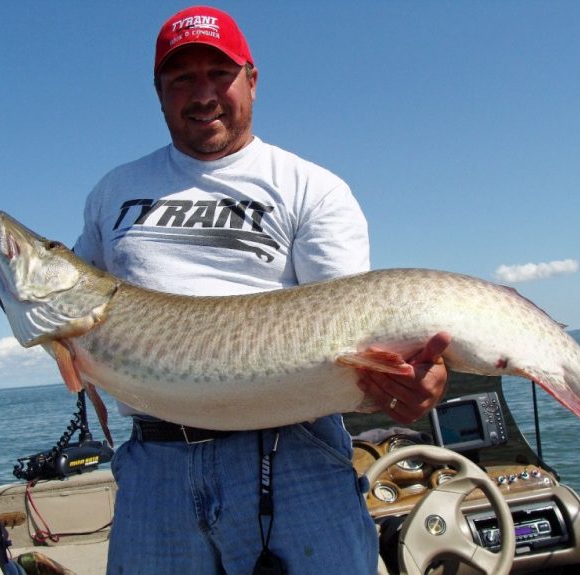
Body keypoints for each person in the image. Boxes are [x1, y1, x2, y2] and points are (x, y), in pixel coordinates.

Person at [73, 6, 450, 574]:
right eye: (181, 79)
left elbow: (348, 326)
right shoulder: (114, 190)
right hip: (156, 465)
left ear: (251, 79)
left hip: (292, 454)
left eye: (217, 74)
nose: (202, 94)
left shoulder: (311, 187)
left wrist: (404, 380)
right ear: (158, 93)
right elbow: (79, 308)